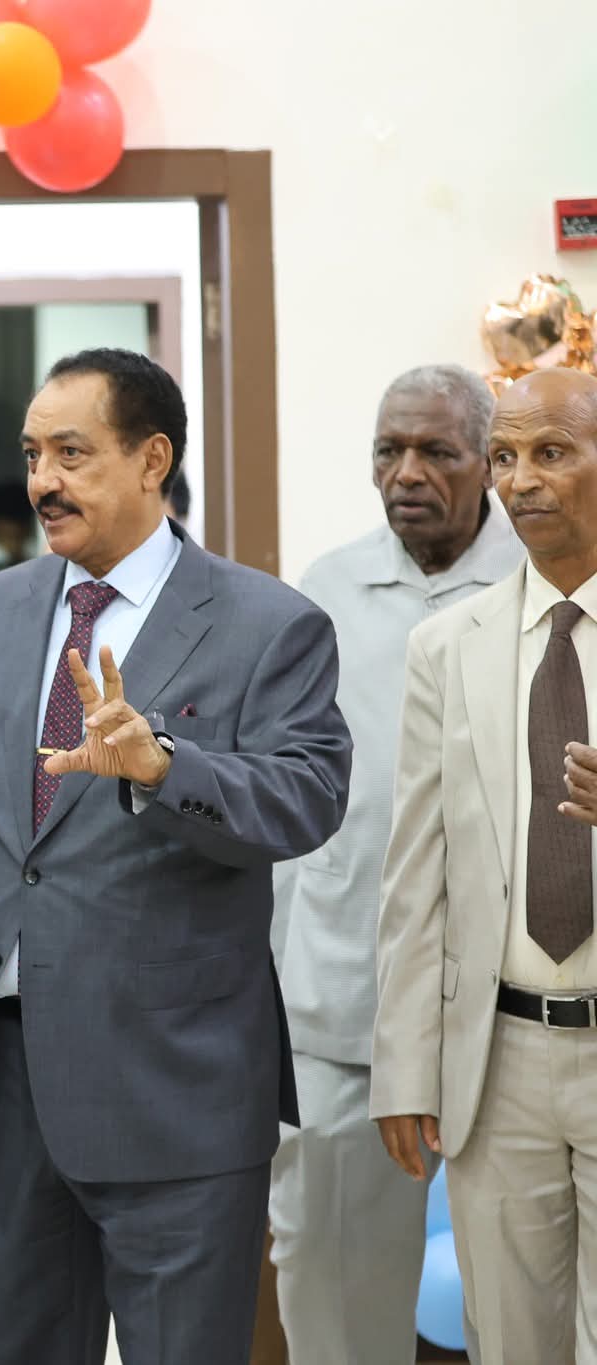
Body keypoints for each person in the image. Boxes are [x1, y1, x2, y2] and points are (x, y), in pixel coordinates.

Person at [0, 348, 350, 1365]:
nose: (42, 482)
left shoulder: (268, 623)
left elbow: (306, 801)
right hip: (3, 1080)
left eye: (71, 454)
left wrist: (162, 767)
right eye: (31, 455)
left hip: (175, 1091)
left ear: (152, 460)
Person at [268, 364, 521, 1363]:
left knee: (525, 1283)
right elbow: (282, 789)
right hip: (342, 991)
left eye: (436, 451)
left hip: (509, 998)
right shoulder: (324, 588)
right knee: (330, 1266)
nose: (407, 472)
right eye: (388, 450)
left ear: (487, 463)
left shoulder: (544, 578)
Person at [372, 366, 597, 1365]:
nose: (521, 480)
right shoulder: (444, 647)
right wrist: (402, 1065)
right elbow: (413, 872)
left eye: (551, 452)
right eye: (504, 456)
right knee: (507, 1343)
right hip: (496, 1056)